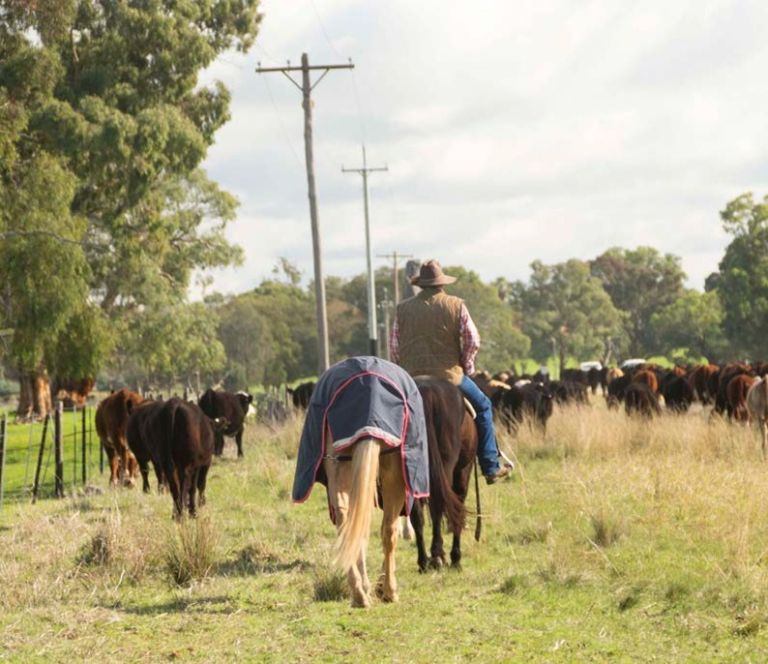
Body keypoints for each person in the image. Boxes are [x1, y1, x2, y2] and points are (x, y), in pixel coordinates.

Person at [389, 259, 512, 484]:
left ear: (421, 284)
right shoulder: (456, 304)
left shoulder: (403, 309)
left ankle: (384, 472)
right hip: (450, 377)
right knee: (484, 406)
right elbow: (472, 339)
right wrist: (467, 367)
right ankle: (490, 465)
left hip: (412, 380)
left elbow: (394, 347)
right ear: (441, 283)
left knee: (388, 416)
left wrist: (404, 371)